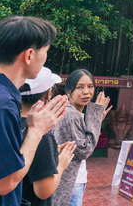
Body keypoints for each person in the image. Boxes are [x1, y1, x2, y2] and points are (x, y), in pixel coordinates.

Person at [0, 16, 68, 206]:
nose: (45, 58)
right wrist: (36, 131)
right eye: (45, 51)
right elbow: (5, 182)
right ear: (29, 55)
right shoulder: (4, 104)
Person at [50, 70, 110, 206]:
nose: (86, 92)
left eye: (90, 86)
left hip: (73, 179)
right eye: (79, 87)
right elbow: (84, 150)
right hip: (71, 182)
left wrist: (96, 121)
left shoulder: (75, 113)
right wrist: (95, 118)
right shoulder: (71, 115)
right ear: (68, 92)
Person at [19, 67, 76, 206]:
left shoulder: (8, 122)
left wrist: (52, 154)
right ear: (48, 95)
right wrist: (61, 164)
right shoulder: (40, 133)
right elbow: (43, 191)